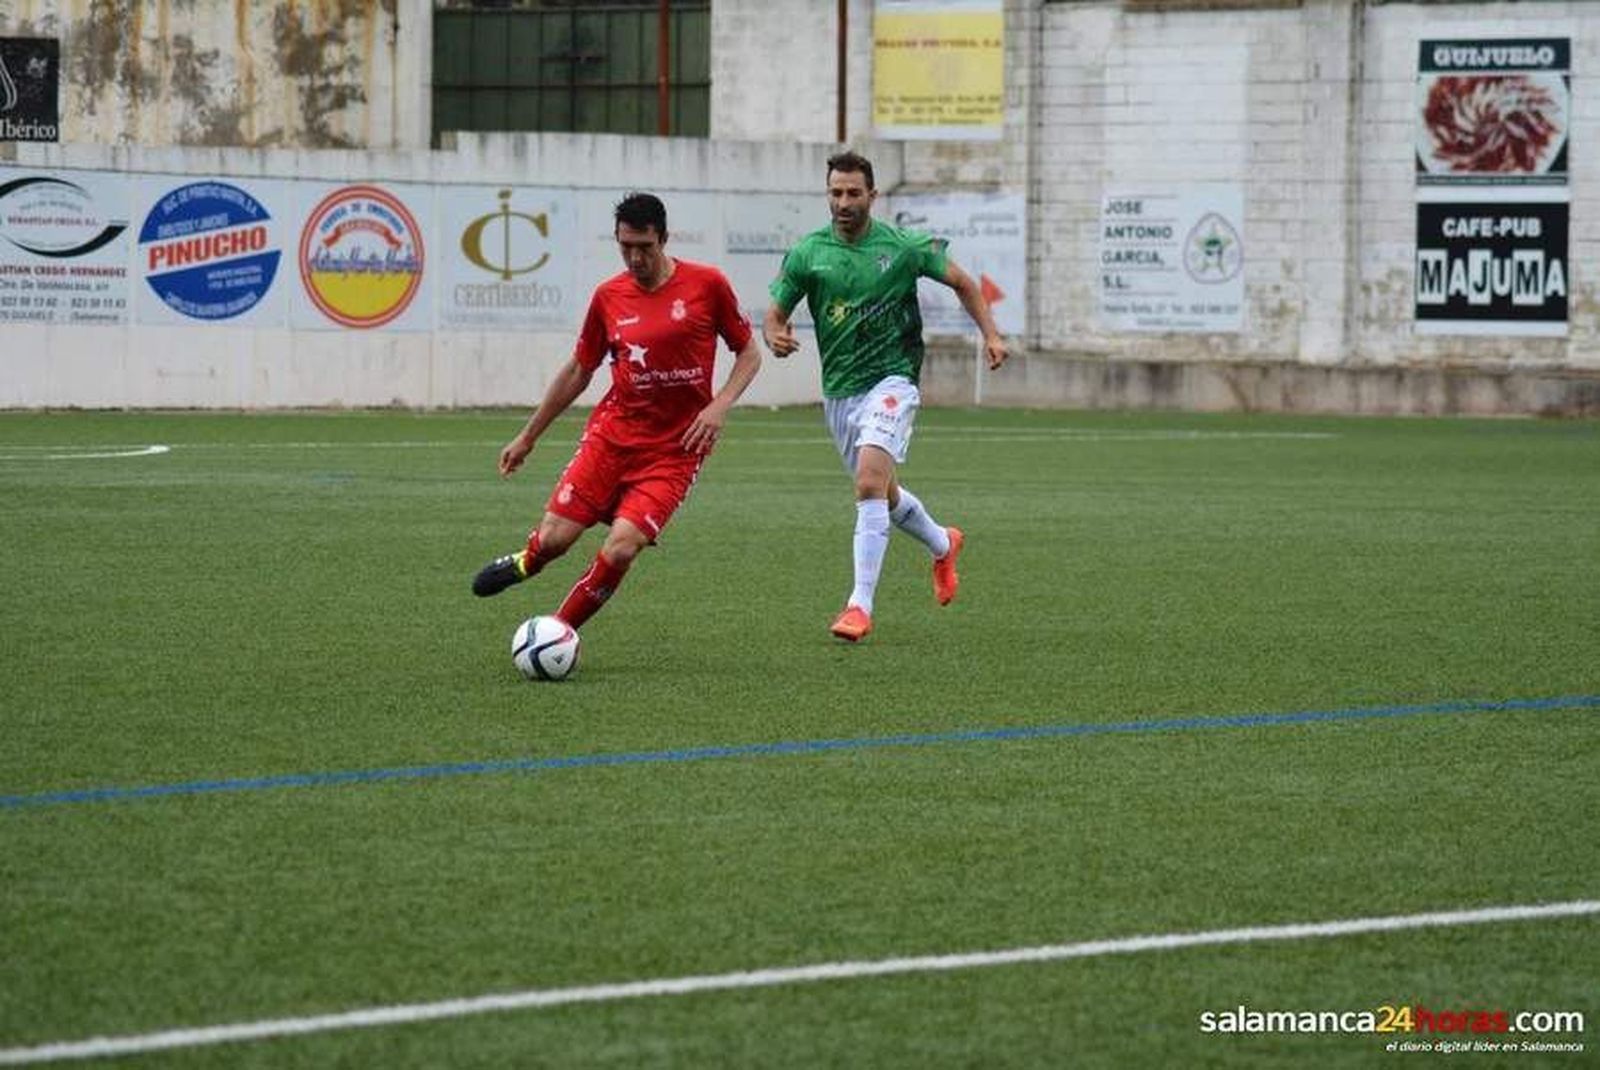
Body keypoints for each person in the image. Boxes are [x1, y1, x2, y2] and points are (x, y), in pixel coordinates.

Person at [472, 192, 762, 635]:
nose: (634, 257)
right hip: (613, 438)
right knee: (555, 540)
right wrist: (528, 436)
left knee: (623, 547)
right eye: (625, 246)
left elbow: (748, 353)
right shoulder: (608, 297)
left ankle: (557, 633)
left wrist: (719, 406)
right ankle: (530, 560)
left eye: (644, 246)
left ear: (663, 239)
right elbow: (578, 370)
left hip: (675, 450)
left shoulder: (707, 284)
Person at [764, 151, 1008, 642]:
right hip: (840, 393)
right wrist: (774, 334)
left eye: (854, 193)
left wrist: (991, 334)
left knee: (869, 484)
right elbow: (774, 314)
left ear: (873, 196)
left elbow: (962, 282)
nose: (844, 201)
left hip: (893, 380)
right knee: (884, 493)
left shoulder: (902, 247)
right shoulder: (808, 253)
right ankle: (943, 544)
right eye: (836, 192)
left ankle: (860, 605)